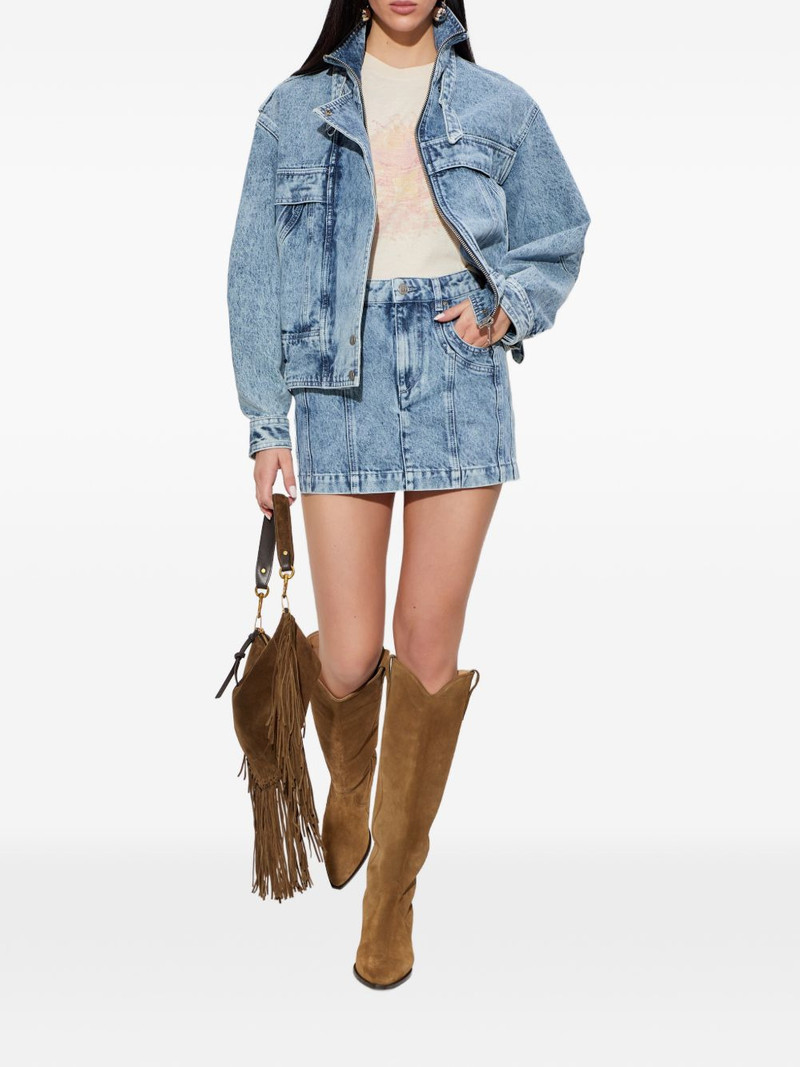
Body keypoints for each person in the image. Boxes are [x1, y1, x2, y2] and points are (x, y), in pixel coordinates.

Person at [227, 0, 590, 989]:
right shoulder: (293, 109)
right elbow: (253, 265)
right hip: (334, 380)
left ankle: (390, 894)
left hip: (455, 376)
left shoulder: (499, 105)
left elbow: (558, 230)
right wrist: (265, 423)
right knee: (347, 655)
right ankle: (351, 780)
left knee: (426, 648)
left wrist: (505, 308)